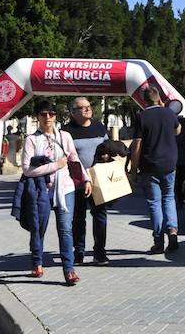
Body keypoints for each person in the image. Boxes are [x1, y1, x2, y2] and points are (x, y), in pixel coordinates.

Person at [21, 100, 91, 286]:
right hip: (41, 190)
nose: (48, 118)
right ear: (37, 117)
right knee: (38, 228)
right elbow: (27, 170)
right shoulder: (31, 140)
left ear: (55, 116)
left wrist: (86, 179)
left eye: (51, 114)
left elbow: (74, 159)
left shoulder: (65, 136)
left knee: (66, 230)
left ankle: (69, 270)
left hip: (65, 189)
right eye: (43, 114)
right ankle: (37, 262)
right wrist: (55, 166)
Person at [129, 86, 181, 255]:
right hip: (169, 164)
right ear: (158, 98)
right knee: (169, 198)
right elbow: (178, 130)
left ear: (144, 101)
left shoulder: (141, 116)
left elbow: (137, 145)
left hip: (149, 165)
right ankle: (172, 231)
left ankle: (158, 242)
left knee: (154, 203)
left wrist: (134, 169)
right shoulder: (169, 113)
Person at [65, 97, 110, 266]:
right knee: (78, 218)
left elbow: (107, 147)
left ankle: (100, 252)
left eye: (88, 106)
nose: (87, 109)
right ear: (73, 112)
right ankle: (79, 252)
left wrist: (107, 153)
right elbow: (68, 158)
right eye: (81, 108)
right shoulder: (67, 131)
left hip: (98, 179)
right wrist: (82, 179)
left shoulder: (99, 126)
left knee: (100, 216)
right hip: (77, 181)